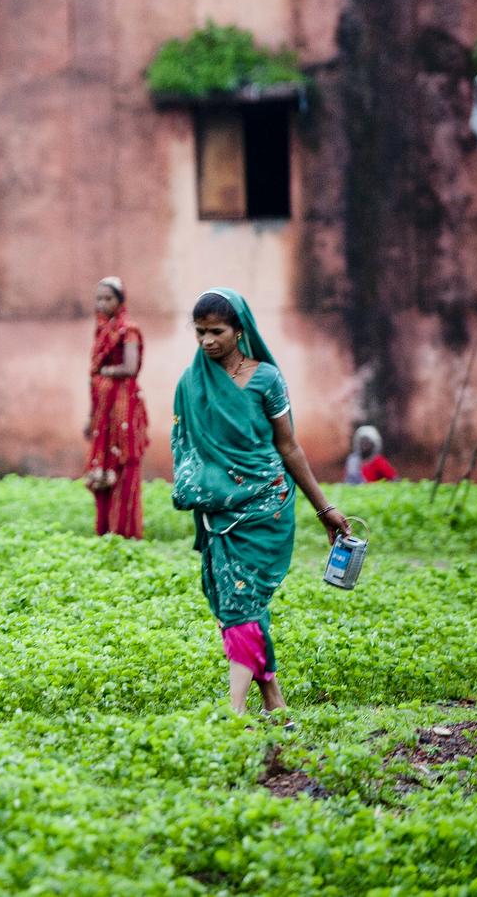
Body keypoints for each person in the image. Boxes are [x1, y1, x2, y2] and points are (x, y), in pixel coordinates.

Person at [170, 288, 349, 715]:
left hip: (266, 507)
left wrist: (324, 508)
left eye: (216, 331)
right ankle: (276, 706)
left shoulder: (266, 379)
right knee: (237, 605)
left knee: (241, 605)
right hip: (219, 512)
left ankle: (235, 714)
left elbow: (290, 448)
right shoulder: (190, 384)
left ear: (239, 330)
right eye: (199, 333)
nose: (207, 341)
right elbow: (185, 448)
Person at [83, 275, 149, 538]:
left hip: (123, 407)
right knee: (104, 469)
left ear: (120, 301)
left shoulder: (127, 330)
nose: (102, 304)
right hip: (103, 411)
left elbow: (130, 368)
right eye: (98, 299)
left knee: (125, 466)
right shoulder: (101, 330)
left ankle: (126, 532)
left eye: (108, 298)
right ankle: (105, 530)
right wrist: (91, 418)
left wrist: (105, 371)